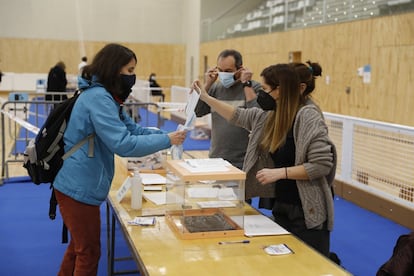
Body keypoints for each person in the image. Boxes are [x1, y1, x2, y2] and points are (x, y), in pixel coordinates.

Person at [52, 43, 187, 276]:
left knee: (79, 248)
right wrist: (167, 140)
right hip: (77, 186)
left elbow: (133, 130)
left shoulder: (105, 97)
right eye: (130, 70)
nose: (133, 77)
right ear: (115, 69)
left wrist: (165, 136)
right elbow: (124, 144)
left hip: (80, 183)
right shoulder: (99, 99)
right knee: (89, 252)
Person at [192, 61, 336, 257]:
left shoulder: (308, 117)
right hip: (281, 205)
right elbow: (237, 116)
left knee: (311, 263)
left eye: (266, 88)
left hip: (307, 210)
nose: (262, 93)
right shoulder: (270, 116)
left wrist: (280, 173)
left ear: (281, 91)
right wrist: (206, 97)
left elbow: (321, 165)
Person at [194, 49, 261, 170]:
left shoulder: (253, 87)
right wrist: (207, 84)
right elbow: (197, 111)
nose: (223, 74)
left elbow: (257, 118)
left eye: (228, 71)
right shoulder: (215, 88)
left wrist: (246, 84)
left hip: (243, 161)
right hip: (216, 158)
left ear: (240, 69)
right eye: (220, 71)